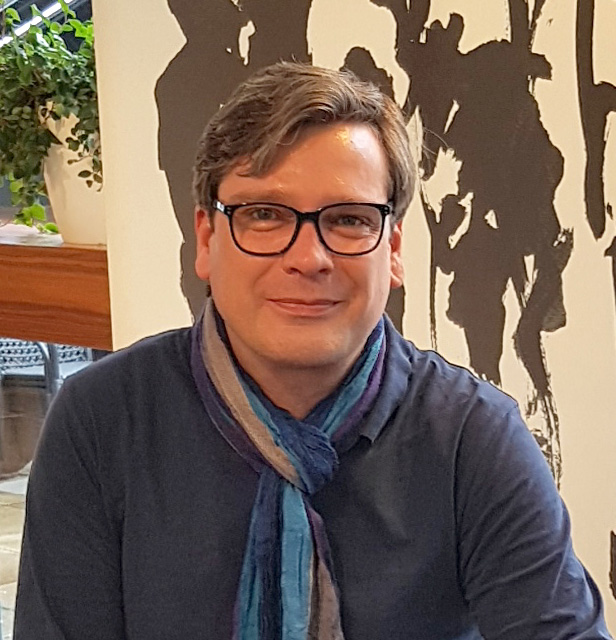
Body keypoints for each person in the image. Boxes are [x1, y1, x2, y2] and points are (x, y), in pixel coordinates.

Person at [14, 62, 611, 640]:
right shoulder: (103, 419)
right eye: (264, 215)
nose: (309, 257)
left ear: (393, 250)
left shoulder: (472, 436)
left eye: (349, 219)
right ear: (206, 239)